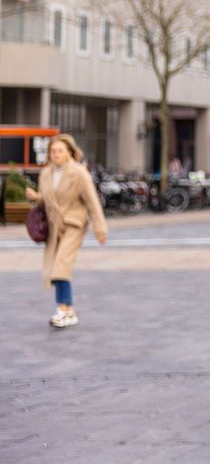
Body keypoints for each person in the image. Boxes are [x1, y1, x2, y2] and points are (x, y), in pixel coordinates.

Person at [25, 133, 108, 329]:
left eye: (60, 151)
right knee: (56, 268)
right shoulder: (46, 173)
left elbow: (92, 201)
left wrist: (100, 229)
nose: (56, 154)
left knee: (61, 265)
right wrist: (35, 197)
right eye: (53, 151)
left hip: (73, 225)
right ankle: (68, 310)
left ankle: (63, 309)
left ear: (69, 152)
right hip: (54, 228)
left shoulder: (78, 173)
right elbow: (47, 200)